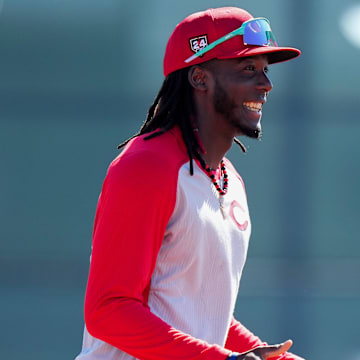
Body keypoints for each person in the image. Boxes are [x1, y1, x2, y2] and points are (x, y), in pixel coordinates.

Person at [75, 7, 304, 360]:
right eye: (248, 69)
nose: (265, 84)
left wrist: (264, 356)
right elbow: (110, 309)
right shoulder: (146, 167)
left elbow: (201, 313)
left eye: (265, 70)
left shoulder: (231, 181)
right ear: (199, 78)